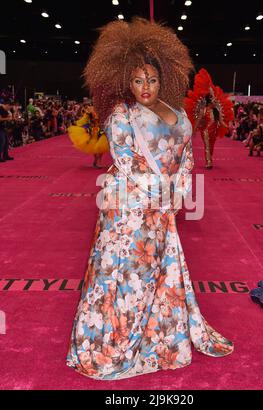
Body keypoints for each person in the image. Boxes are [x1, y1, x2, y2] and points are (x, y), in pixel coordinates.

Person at [66, 17, 233, 381]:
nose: (145, 87)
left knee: (157, 274)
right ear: (127, 80)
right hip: (126, 212)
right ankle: (107, 345)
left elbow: (186, 159)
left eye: (152, 80)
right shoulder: (121, 114)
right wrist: (164, 195)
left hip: (161, 211)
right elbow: (128, 160)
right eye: (138, 80)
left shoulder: (179, 117)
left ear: (164, 80)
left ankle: (158, 341)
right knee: (119, 277)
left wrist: (179, 193)